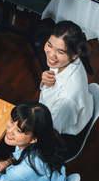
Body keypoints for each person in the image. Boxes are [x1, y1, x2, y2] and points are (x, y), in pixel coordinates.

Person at [39, 20, 94, 159]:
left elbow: (48, 135)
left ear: (75, 54)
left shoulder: (67, 100)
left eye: (60, 51)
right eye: (49, 45)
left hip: (57, 140)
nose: (51, 55)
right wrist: (45, 80)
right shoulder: (66, 61)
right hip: (51, 116)